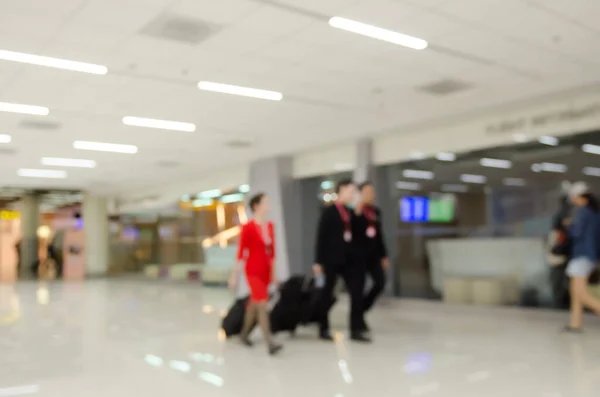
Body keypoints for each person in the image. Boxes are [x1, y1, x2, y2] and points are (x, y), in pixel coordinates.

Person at [313, 179, 370, 342]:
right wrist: (318, 261)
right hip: (331, 260)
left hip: (350, 260)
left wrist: (359, 214)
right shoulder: (329, 212)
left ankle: (356, 329)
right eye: (350, 191)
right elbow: (321, 238)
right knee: (327, 293)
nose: (353, 195)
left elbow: (360, 234)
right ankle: (323, 327)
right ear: (342, 190)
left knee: (356, 293)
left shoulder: (352, 212)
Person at [229, 193, 282, 355]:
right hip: (252, 270)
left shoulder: (270, 226)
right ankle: (269, 341)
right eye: (265, 203)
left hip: (265, 271)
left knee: (254, 304)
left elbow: (272, 254)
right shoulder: (248, 228)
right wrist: (234, 275)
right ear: (256, 206)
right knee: (262, 304)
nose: (268, 206)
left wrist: (273, 275)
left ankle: (244, 334)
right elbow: (241, 253)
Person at [564, 182, 600, 332]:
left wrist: (569, 226)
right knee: (575, 292)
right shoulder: (595, 213)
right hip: (589, 255)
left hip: (582, 255)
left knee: (581, 294)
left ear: (579, 197)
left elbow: (577, 233)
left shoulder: (584, 213)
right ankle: (575, 323)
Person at [356, 181, 389, 332]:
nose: (371, 195)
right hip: (359, 256)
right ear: (360, 194)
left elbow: (379, 235)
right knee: (359, 287)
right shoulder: (355, 212)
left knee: (380, 283)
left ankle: (361, 309)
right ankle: (358, 319)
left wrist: (383, 255)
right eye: (368, 192)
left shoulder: (376, 212)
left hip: (374, 255)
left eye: (372, 192)